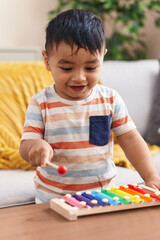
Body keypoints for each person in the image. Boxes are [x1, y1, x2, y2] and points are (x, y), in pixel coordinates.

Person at [20, 9, 160, 203]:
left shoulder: (110, 99)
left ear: (103, 56)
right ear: (47, 60)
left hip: (102, 197)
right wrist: (35, 147)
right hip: (52, 200)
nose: (79, 77)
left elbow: (130, 139)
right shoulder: (41, 103)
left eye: (91, 67)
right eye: (67, 68)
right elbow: (26, 144)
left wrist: (151, 176)